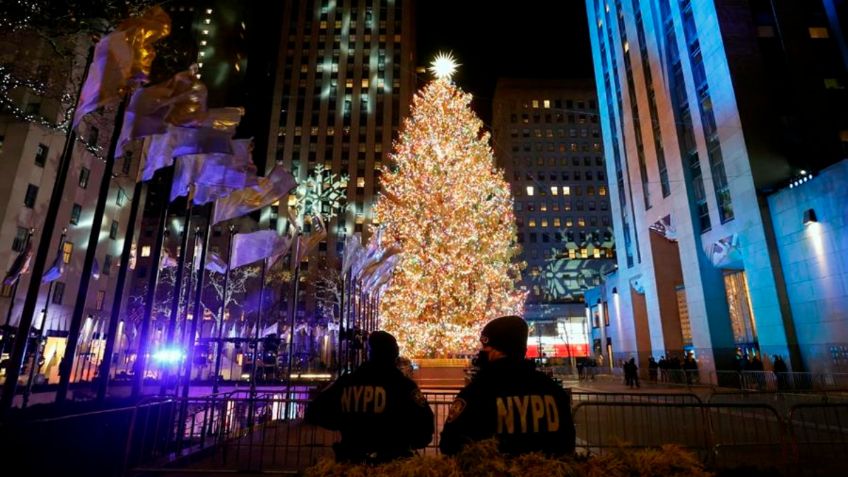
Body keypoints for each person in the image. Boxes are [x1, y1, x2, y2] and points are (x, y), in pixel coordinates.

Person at [439, 316, 575, 456]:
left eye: (486, 346)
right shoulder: (552, 390)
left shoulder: (478, 392)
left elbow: (450, 444)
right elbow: (568, 442)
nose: (482, 351)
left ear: (498, 349)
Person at [305, 331, 434, 463]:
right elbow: (425, 426)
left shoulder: (347, 382)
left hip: (352, 462)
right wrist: (401, 438)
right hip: (392, 463)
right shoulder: (403, 386)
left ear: (369, 353)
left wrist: (343, 423)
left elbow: (314, 411)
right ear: (394, 353)